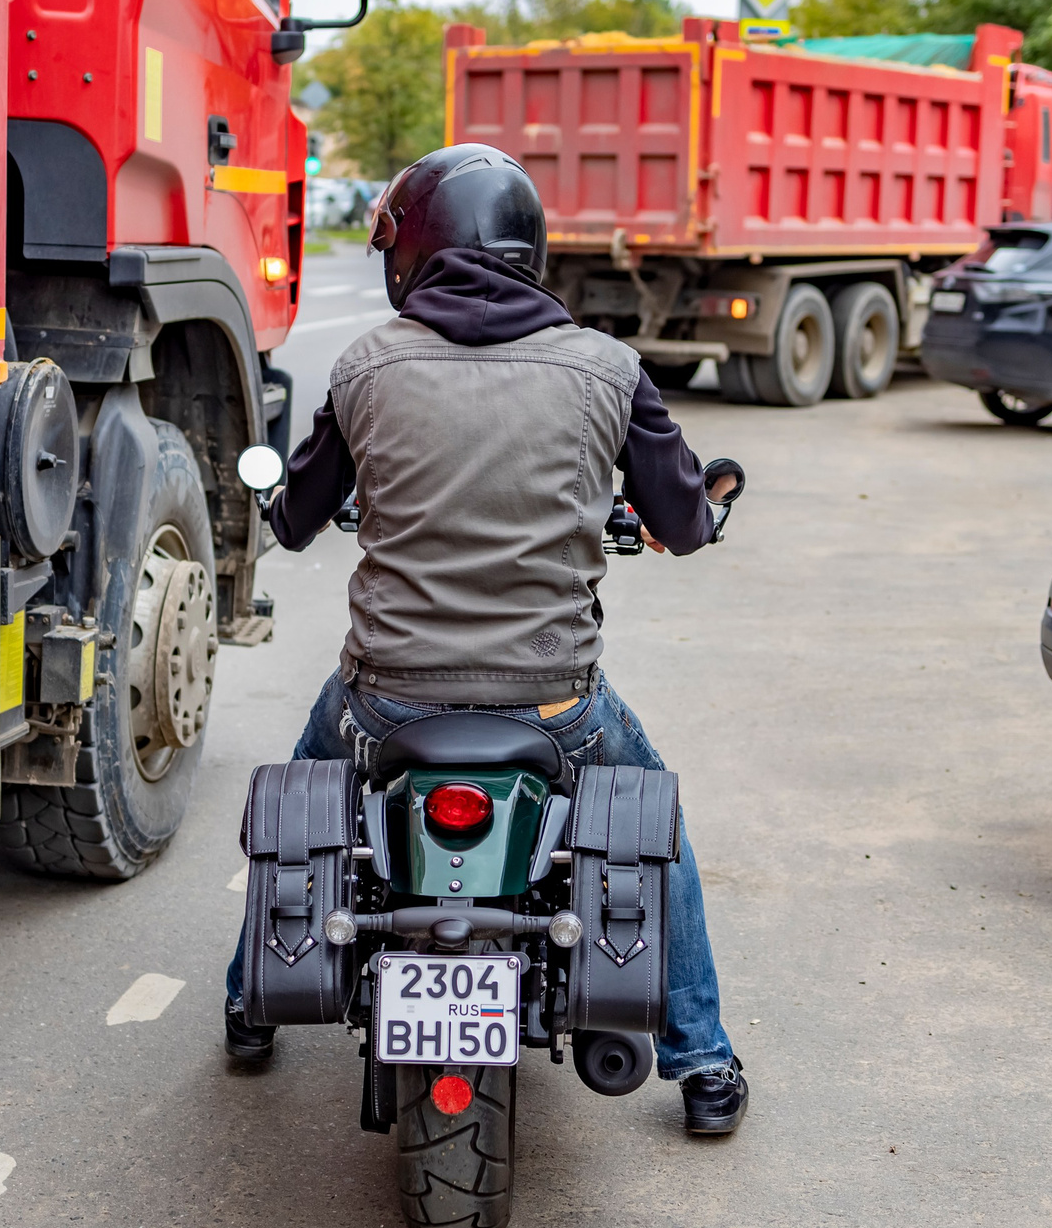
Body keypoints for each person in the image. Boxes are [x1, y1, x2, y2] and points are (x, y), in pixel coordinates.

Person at [221, 143, 749, 1137]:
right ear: (526, 249)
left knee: (304, 774)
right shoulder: (608, 369)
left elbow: (292, 517)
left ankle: (251, 1004)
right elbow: (682, 524)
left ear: (413, 250)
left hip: (389, 698)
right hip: (554, 702)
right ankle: (702, 1060)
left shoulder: (367, 364)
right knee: (657, 830)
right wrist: (697, 510)